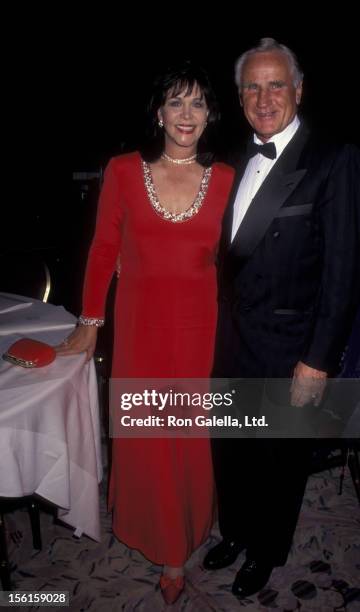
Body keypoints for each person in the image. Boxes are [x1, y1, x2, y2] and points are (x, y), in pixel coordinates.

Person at [56, 60, 234, 604]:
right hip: (139, 328)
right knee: (149, 439)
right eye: (176, 102)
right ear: (159, 113)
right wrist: (91, 323)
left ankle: (180, 545)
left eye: (198, 103)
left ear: (210, 116)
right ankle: (150, 530)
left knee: (190, 438)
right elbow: (104, 249)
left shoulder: (227, 178)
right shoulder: (123, 170)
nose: (187, 113)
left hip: (201, 330)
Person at [203, 38, 360, 599]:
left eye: (276, 85)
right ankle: (236, 533)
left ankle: (266, 552)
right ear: (240, 96)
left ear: (298, 90)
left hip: (290, 343)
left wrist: (317, 361)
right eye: (252, 86)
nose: (264, 97)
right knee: (232, 448)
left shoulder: (333, 158)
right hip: (231, 338)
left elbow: (343, 272)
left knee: (277, 459)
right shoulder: (231, 156)